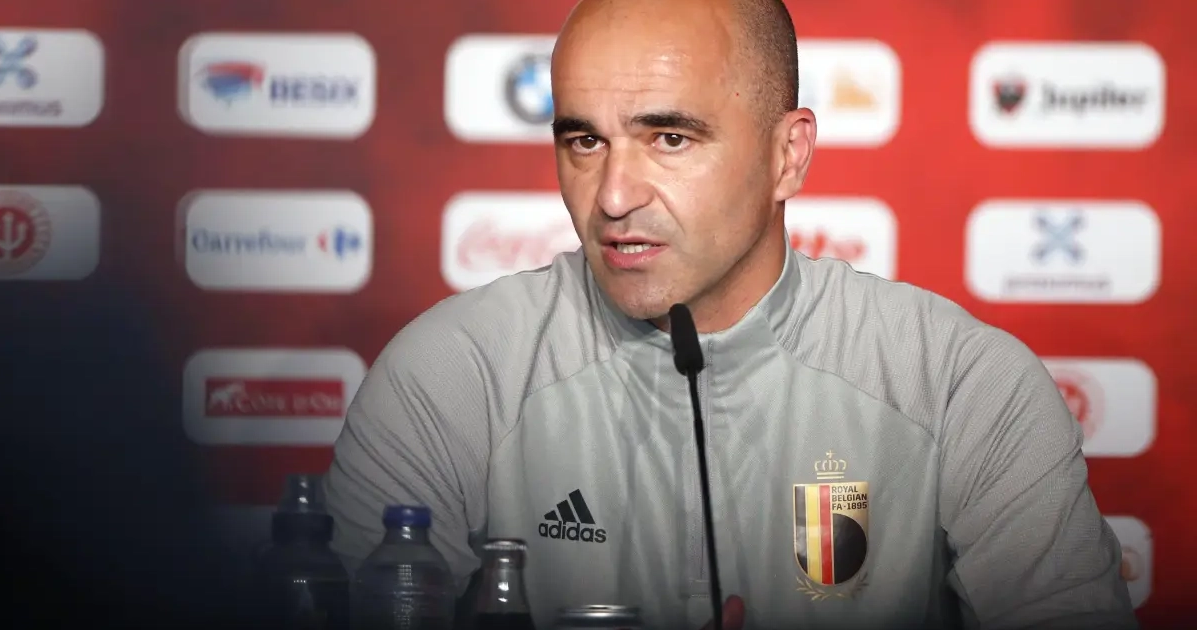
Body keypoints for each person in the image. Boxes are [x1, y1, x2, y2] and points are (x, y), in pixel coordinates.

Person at [322, 0, 1137, 627]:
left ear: (789, 156)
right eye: (584, 141)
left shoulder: (963, 386)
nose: (612, 196)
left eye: (669, 139)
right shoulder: (449, 375)